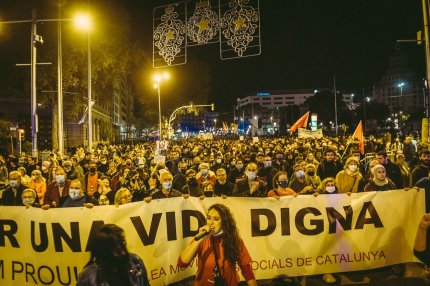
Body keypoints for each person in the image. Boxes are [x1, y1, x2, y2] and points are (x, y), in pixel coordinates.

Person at [178, 203, 257, 286]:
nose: (211, 223)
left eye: (216, 219)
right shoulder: (201, 238)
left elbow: (247, 270)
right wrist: (198, 239)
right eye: (209, 218)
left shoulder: (234, 239)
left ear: (224, 222)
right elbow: (182, 263)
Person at [77, 224, 150, 286]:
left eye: (124, 246)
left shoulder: (136, 262)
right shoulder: (88, 277)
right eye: (117, 250)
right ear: (105, 252)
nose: (123, 253)